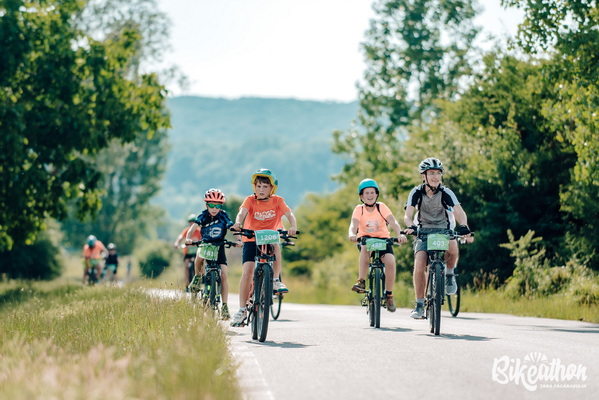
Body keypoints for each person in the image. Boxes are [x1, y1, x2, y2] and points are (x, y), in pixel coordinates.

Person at [403, 157, 472, 319]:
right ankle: (419, 305)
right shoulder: (416, 192)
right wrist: (411, 226)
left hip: (443, 230)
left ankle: (449, 274)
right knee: (419, 264)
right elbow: (407, 215)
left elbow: (460, 212)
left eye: (438, 173)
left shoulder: (446, 192)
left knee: (453, 247)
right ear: (424, 176)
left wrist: (463, 225)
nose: (435, 177)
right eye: (432, 173)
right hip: (423, 231)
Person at [230, 168, 298, 327]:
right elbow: (241, 213)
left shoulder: (278, 201)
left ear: (272, 188)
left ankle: (275, 280)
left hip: (270, 237)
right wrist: (238, 223)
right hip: (251, 238)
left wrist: (293, 226)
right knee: (247, 272)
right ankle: (242, 309)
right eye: (258, 186)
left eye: (265, 187)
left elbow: (289, 214)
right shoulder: (250, 200)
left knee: (276, 244)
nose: (261, 190)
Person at [348, 179, 407, 312]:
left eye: (372, 192)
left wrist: (400, 234)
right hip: (366, 240)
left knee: (390, 261)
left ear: (377, 194)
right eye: (366, 193)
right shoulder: (359, 209)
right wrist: (352, 234)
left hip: (383, 240)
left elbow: (393, 222)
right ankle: (361, 281)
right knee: (365, 248)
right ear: (361, 196)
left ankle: (389, 295)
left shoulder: (381, 207)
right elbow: (353, 224)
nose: (370, 195)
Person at [185, 188, 235, 319]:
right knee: (199, 257)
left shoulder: (223, 215)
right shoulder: (203, 215)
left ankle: (224, 306)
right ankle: (197, 277)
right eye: (212, 205)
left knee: (224, 275)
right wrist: (188, 238)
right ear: (206, 205)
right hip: (206, 244)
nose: (214, 208)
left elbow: (231, 227)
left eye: (218, 206)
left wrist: (239, 239)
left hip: (219, 247)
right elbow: (193, 228)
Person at [173, 213, 202, 289]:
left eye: (193, 221)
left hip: (197, 252)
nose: (191, 223)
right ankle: (187, 285)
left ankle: (199, 282)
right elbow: (180, 237)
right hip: (188, 253)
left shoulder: (199, 231)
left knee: (199, 265)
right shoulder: (186, 231)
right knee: (186, 265)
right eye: (190, 221)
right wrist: (177, 243)